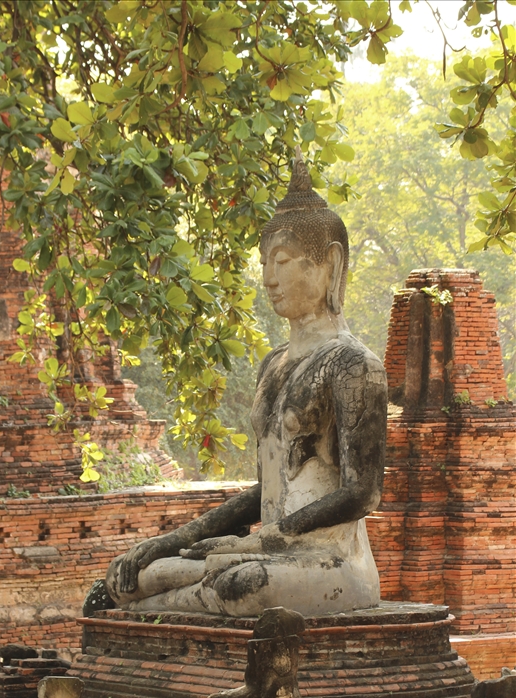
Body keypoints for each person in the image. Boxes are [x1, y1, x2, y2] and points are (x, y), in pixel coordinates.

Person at [105, 148, 387, 618]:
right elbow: (267, 491)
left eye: (283, 260)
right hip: (268, 550)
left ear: (329, 264)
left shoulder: (353, 364)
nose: (269, 278)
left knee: (241, 584)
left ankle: (161, 612)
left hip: (329, 561)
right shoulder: (273, 365)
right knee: (130, 580)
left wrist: (264, 540)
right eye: (264, 262)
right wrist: (175, 539)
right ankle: (153, 606)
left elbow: (363, 493)